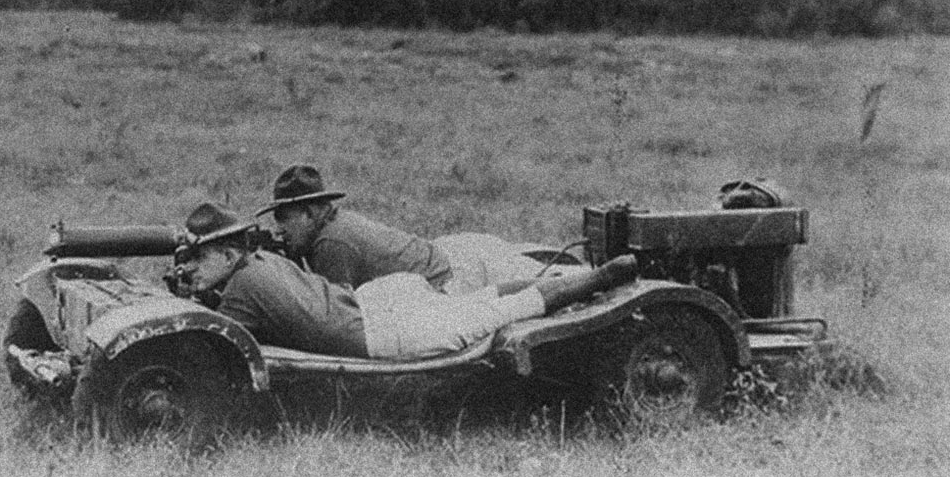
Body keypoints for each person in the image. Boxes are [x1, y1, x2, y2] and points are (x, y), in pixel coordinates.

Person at [179, 202, 638, 361]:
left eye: (198, 260)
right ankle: (580, 275)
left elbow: (215, 338)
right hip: (376, 303)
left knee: (497, 310)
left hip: (377, 332)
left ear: (226, 253)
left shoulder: (240, 290)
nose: (193, 270)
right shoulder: (257, 262)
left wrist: (192, 297)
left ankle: (600, 279)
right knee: (485, 299)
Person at [256, 165, 581, 294]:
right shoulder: (334, 225)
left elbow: (333, 313)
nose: (279, 228)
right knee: (557, 274)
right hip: (454, 253)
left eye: (285, 217)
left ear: (311, 213)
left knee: (566, 288)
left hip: (453, 278)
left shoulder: (331, 244)